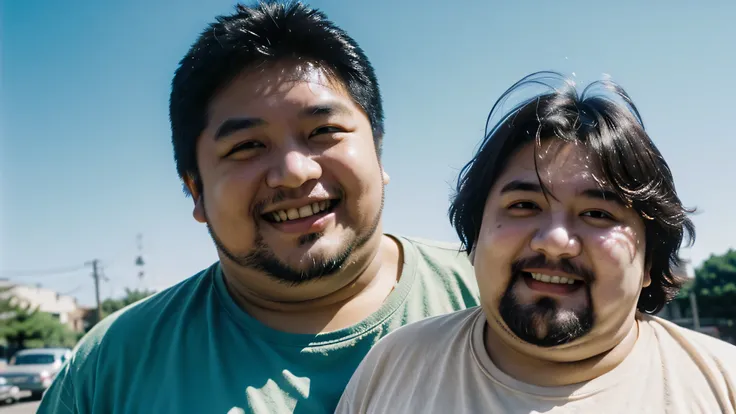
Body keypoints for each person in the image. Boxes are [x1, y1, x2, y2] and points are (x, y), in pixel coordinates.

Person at [37, 3, 479, 413]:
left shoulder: (496, 298)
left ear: (378, 153)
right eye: (247, 146)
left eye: (323, 130)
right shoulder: (109, 367)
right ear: (196, 191)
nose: (292, 172)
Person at [336, 72, 736, 414]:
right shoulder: (392, 368)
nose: (555, 242)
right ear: (475, 233)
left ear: (649, 261)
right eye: (524, 205)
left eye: (598, 214)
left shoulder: (723, 385)